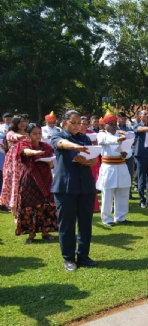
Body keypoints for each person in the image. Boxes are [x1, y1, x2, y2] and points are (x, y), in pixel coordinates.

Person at [51, 110, 97, 272]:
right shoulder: (58, 136)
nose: (78, 126)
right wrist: (77, 148)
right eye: (74, 122)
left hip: (86, 187)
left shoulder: (84, 138)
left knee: (85, 223)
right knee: (67, 224)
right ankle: (69, 258)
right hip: (66, 188)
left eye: (79, 123)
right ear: (64, 123)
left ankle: (83, 256)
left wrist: (86, 161)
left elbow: (93, 162)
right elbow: (62, 144)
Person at [14, 123, 57, 244]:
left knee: (46, 204)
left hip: (46, 178)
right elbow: (25, 151)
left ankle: (45, 231)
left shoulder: (46, 146)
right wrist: (34, 153)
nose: (38, 136)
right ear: (28, 135)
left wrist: (49, 163)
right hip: (30, 179)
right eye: (34, 133)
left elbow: (52, 163)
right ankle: (31, 234)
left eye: (39, 133)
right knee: (31, 205)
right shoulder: (24, 144)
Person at [97, 112, 132, 226]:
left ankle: (120, 217)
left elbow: (129, 152)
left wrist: (124, 153)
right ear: (105, 125)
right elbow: (106, 141)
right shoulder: (102, 135)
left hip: (121, 166)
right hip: (109, 167)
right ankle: (107, 219)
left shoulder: (120, 136)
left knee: (123, 192)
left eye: (114, 124)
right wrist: (118, 141)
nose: (113, 126)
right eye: (110, 124)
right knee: (107, 193)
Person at [0, 114, 29, 216]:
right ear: (15, 123)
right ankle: (15, 212)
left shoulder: (29, 133)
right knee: (14, 186)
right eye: (20, 122)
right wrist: (23, 137)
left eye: (24, 121)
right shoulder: (11, 133)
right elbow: (14, 137)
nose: (22, 124)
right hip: (15, 164)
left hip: (28, 163)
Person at [133, 110, 148, 209]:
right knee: (141, 178)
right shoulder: (137, 125)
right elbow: (141, 129)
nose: (147, 115)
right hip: (141, 155)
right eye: (144, 114)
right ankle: (142, 200)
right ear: (140, 116)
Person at [117, 112, 135, 198]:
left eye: (124, 119)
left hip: (129, 153)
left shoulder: (128, 128)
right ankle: (120, 192)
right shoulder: (115, 128)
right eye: (121, 119)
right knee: (120, 174)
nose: (123, 120)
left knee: (129, 174)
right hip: (119, 154)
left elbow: (133, 139)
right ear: (118, 118)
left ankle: (129, 192)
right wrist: (123, 132)